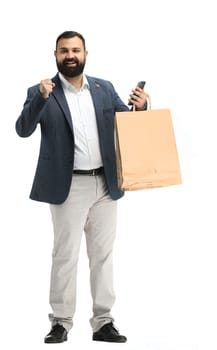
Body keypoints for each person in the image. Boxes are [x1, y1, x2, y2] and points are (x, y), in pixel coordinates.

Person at [15, 30, 148, 344]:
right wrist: (39, 98)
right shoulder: (43, 91)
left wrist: (141, 108)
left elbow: (126, 124)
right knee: (65, 256)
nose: (70, 55)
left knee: (102, 256)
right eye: (64, 51)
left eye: (76, 50)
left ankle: (103, 322)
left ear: (86, 54)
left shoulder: (103, 88)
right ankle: (60, 322)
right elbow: (23, 129)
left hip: (106, 184)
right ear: (56, 55)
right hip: (68, 186)